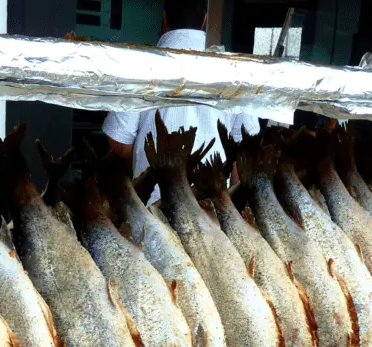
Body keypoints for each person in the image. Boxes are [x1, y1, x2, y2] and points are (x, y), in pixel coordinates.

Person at [102, 0, 260, 202]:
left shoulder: (141, 65)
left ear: (164, 18)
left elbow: (119, 142)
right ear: (205, 20)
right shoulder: (236, 69)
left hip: (154, 207)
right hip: (213, 211)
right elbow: (246, 151)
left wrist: (157, 160)